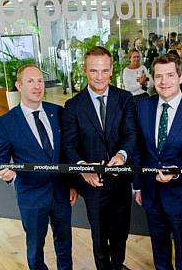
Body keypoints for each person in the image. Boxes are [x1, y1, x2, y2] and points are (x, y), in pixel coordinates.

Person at [0, 64, 78, 270]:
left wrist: (72, 184)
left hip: (61, 193)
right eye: (30, 81)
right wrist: (9, 175)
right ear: (19, 85)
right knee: (35, 248)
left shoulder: (58, 112)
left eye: (40, 81)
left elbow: (67, 152)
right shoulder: (5, 122)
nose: (37, 86)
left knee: (65, 244)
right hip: (31, 195)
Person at [61, 46, 137, 270]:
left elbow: (131, 133)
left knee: (121, 231)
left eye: (104, 70)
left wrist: (122, 156)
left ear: (112, 70)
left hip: (120, 178)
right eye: (94, 71)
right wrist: (83, 168)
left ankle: (118, 266)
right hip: (92, 184)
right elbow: (69, 145)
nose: (100, 76)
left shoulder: (125, 98)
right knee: (99, 235)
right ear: (85, 71)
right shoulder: (73, 106)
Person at [133, 53, 182, 270]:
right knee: (159, 248)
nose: (164, 81)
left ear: (180, 76)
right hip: (150, 192)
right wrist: (137, 185)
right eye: (158, 76)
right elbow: (139, 150)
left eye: (169, 75)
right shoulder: (142, 107)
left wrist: (175, 172)